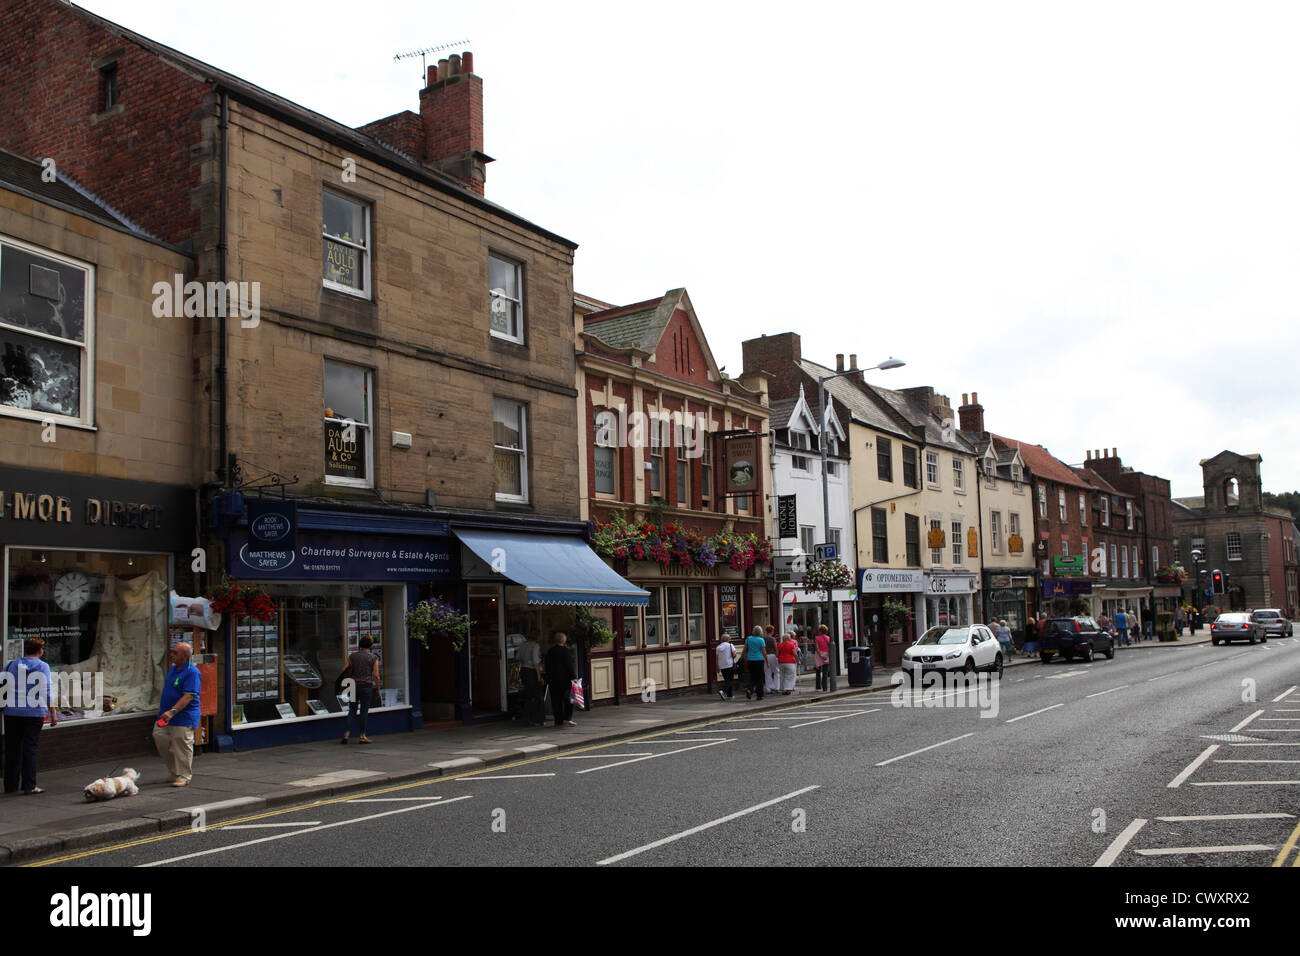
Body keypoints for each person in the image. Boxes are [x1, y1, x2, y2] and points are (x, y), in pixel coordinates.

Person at [3, 637, 58, 794]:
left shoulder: (11, 665)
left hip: (12, 712)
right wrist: (53, 713)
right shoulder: (43, 666)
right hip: (34, 713)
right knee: (30, 748)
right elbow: (46, 690)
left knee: (12, 749)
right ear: (40, 651)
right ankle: (29, 785)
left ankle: (10, 785)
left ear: (25, 650)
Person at [154, 641, 201, 787]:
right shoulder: (173, 668)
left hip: (183, 716)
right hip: (166, 715)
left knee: (182, 745)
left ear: (185, 656)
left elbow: (188, 696)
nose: (172, 654)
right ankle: (174, 771)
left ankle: (184, 776)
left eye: (175, 652)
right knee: (160, 737)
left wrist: (172, 711)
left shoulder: (192, 672)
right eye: (172, 651)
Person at [341, 635, 380, 744]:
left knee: (352, 711)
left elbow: (344, 670)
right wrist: (378, 689)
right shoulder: (373, 658)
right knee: (364, 712)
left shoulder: (352, 656)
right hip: (366, 686)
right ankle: (362, 736)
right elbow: (376, 675)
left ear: (360, 644)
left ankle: (346, 735)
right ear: (371, 645)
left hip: (353, 686)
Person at [544, 632, 577, 727]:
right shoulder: (565, 651)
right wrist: (574, 677)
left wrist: (548, 678)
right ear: (564, 640)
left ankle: (558, 721)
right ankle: (567, 718)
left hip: (553, 680)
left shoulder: (550, 651)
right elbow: (569, 666)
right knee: (569, 700)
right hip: (565, 680)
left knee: (556, 701)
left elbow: (547, 666)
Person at [517, 632, 545, 725]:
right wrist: (539, 676)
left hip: (524, 670)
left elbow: (518, 657)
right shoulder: (535, 646)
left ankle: (527, 718)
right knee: (537, 696)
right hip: (532, 671)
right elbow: (535, 661)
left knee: (528, 696)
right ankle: (537, 719)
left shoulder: (522, 645)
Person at [743, 626, 767, 700]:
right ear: (760, 632)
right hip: (759, 660)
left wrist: (743, 658)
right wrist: (767, 660)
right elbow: (764, 651)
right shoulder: (761, 640)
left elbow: (744, 650)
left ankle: (749, 690)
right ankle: (759, 695)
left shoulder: (748, 639)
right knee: (760, 678)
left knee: (752, 677)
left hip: (750, 660)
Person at [715, 636, 737, 700]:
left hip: (722, 666)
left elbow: (716, 658)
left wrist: (717, 666)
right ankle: (722, 691)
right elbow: (734, 655)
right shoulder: (730, 645)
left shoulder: (718, 647)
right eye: (729, 638)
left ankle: (729, 695)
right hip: (729, 665)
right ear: (728, 639)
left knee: (727, 679)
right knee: (730, 680)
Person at [813, 625, 832, 692]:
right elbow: (830, 648)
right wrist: (827, 655)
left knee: (818, 672)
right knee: (825, 672)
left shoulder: (817, 638)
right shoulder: (828, 638)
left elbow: (817, 648)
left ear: (820, 631)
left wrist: (820, 655)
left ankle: (818, 687)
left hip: (819, 655)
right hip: (826, 654)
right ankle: (825, 688)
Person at [764, 626, 780, 695]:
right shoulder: (773, 639)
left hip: (765, 656)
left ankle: (768, 688)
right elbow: (776, 648)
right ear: (772, 631)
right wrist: (777, 656)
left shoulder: (763, 638)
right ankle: (776, 687)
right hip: (772, 655)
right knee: (776, 671)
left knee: (767, 672)